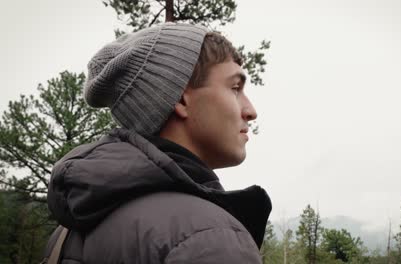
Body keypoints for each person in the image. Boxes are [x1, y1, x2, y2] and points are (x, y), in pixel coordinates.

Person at [43, 22, 271, 263]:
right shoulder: (208, 238)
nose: (250, 111)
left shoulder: (69, 231)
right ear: (181, 99)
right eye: (235, 88)